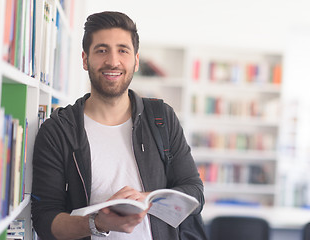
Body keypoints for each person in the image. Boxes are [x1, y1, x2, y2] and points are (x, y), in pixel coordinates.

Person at [31, 11, 205, 240]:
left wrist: (144, 199)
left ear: (136, 61)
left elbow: (194, 192)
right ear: (85, 59)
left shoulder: (162, 118)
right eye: (102, 50)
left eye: (123, 50)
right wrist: (97, 222)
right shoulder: (58, 130)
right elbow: (45, 220)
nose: (113, 61)